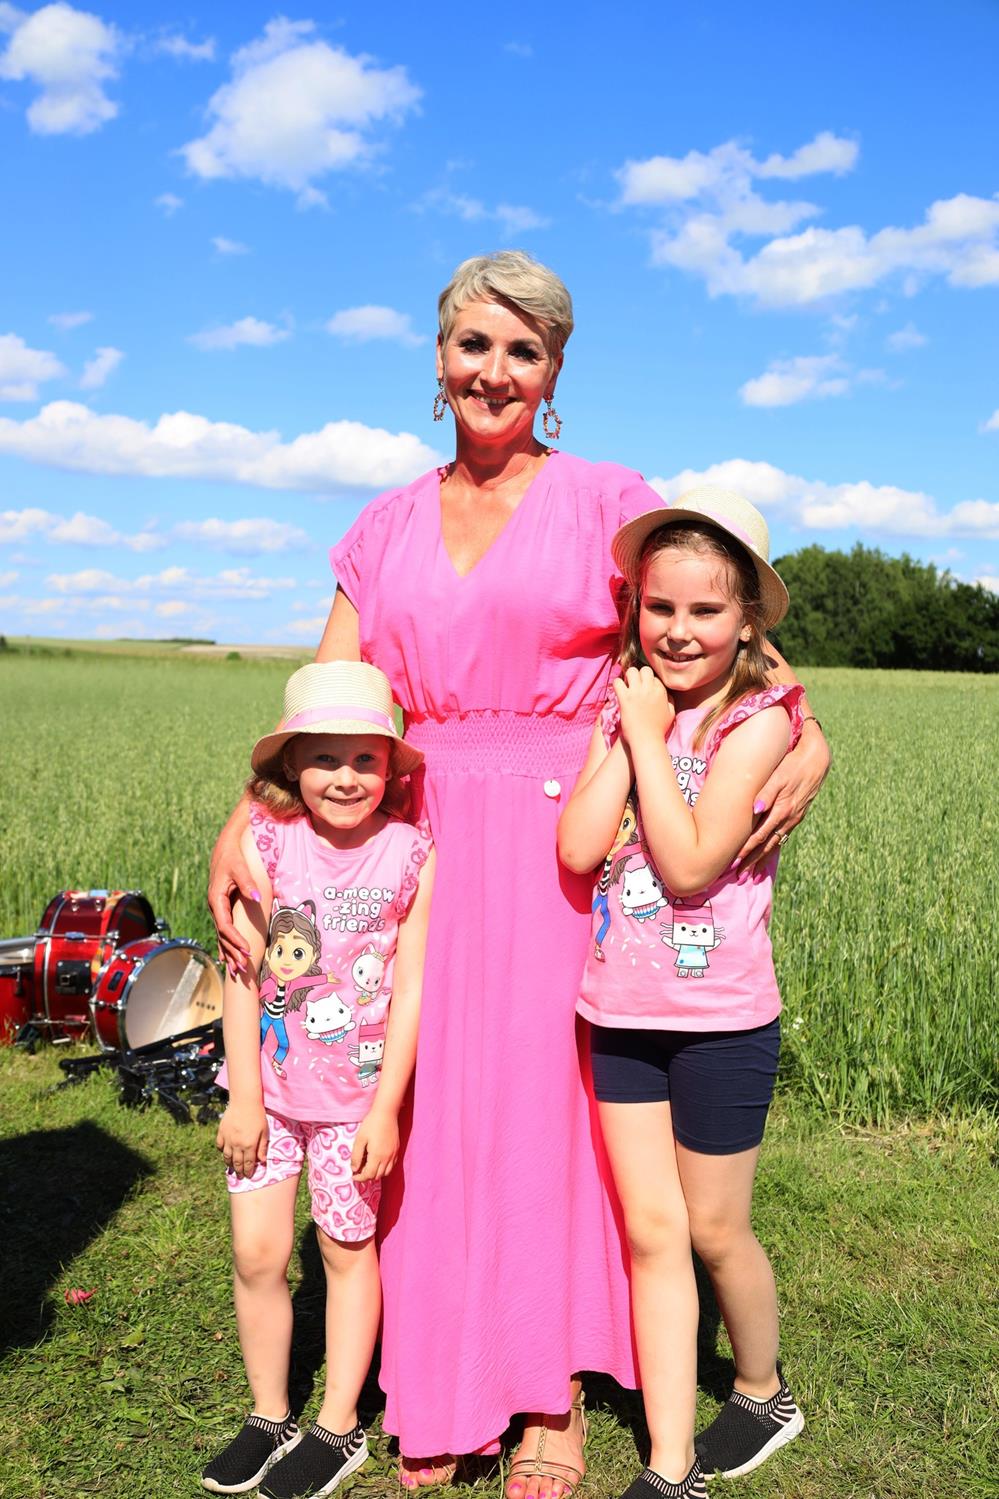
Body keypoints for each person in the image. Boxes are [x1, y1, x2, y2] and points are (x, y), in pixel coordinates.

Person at [208, 251, 830, 1497]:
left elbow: (715, 631)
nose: (495, 372)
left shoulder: (609, 499)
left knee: (547, 1109)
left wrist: (809, 734)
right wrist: (245, 813)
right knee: (429, 1099)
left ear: (555, 371)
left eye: (524, 350)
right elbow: (333, 700)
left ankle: (549, 1389)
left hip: (565, 845)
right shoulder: (383, 526)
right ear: (439, 361)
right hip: (420, 839)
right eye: (474, 345)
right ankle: (440, 1372)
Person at [558, 488, 808, 1499]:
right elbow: (579, 846)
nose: (679, 629)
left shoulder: (760, 723)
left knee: (713, 1228)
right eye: (659, 606)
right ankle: (671, 1463)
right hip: (620, 1014)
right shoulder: (628, 709)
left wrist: (648, 738)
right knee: (652, 1231)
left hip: (720, 1025)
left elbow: (695, 862)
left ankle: (761, 1388)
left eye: (706, 609)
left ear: (747, 618)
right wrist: (629, 734)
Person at [202, 661, 434, 1499]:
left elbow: (411, 989)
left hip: (353, 1108)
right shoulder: (265, 843)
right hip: (266, 1098)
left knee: (344, 1249)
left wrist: (386, 1109)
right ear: (292, 764)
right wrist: (244, 1097)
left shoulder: (412, 853)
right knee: (257, 1251)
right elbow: (242, 971)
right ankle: (270, 1413)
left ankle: (338, 1424)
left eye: (365, 759)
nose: (345, 776)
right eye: (325, 758)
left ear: (389, 767)